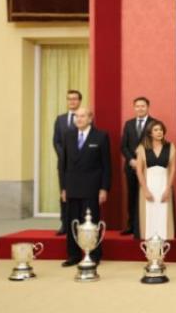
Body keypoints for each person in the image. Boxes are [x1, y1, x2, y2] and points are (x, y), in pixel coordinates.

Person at [59, 108, 111, 267]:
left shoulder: (101, 136)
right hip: (72, 187)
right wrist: (63, 188)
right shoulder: (68, 136)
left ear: (90, 118)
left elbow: (106, 165)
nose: (79, 119)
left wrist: (104, 188)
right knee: (72, 222)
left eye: (82, 116)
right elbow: (63, 164)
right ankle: (73, 255)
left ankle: (94, 255)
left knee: (91, 222)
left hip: (92, 188)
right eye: (76, 116)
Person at [120, 97, 156, 237]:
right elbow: (123, 146)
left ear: (148, 107)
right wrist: (131, 160)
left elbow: (155, 145)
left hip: (148, 168)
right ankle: (132, 226)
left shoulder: (154, 123)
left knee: (146, 196)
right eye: (137, 106)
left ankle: (145, 226)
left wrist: (142, 161)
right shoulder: (128, 124)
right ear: (134, 108)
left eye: (143, 106)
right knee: (132, 196)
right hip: (131, 167)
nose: (140, 108)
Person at [136, 120, 176, 240]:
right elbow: (139, 170)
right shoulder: (142, 147)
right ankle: (150, 250)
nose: (159, 132)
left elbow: (173, 169)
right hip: (148, 187)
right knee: (149, 217)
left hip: (164, 187)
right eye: (156, 130)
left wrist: (168, 189)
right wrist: (145, 190)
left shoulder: (170, 147)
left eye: (161, 130)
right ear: (150, 133)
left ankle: (162, 248)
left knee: (163, 216)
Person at [53, 89, 82, 235]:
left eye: (75, 99)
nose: (72, 101)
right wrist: (65, 157)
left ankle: (79, 224)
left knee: (80, 194)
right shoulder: (60, 119)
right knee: (64, 194)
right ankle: (64, 224)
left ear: (79, 101)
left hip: (82, 165)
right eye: (69, 99)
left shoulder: (84, 118)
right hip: (64, 165)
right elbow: (56, 141)